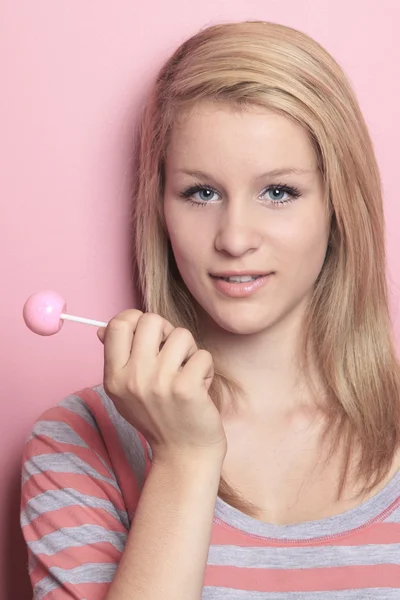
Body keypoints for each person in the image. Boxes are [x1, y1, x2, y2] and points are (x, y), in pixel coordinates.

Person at [20, 19, 400, 600]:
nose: (235, 237)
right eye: (202, 192)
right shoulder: (75, 442)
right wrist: (184, 458)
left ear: (339, 204)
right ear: (161, 207)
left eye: (279, 192)